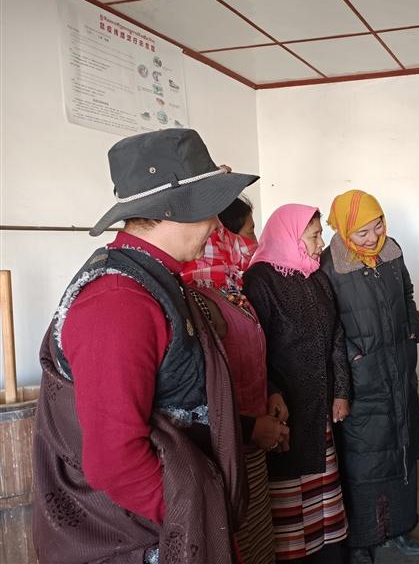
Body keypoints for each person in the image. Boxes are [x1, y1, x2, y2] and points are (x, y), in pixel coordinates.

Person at [33, 128, 258, 563]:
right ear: (174, 208)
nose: (216, 224)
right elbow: (115, 461)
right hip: (148, 536)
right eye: (209, 209)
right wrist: (191, 520)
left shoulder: (154, 277)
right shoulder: (118, 303)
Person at [181, 196, 290, 564]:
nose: (253, 243)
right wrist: (248, 428)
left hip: (252, 436)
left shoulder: (232, 290)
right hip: (223, 445)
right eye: (246, 233)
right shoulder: (194, 301)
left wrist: (271, 391)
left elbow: (252, 350)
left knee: (257, 535)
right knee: (234, 537)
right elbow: (195, 392)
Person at [321, 190, 419, 564]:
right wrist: (355, 357)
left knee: (403, 447)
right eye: (361, 232)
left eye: (377, 226)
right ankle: (362, 538)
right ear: (343, 229)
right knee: (364, 458)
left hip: (399, 365)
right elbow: (329, 324)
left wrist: (411, 331)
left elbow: (407, 292)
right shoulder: (330, 265)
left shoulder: (391, 251)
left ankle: (399, 527)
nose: (372, 237)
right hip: (362, 376)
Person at [243, 204, 350, 563]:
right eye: (314, 236)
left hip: (319, 401)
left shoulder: (316, 277)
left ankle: (327, 553)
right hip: (287, 406)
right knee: (291, 490)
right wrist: (272, 390)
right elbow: (255, 348)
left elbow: (336, 336)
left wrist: (340, 391)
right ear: (289, 236)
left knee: (322, 486)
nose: (321, 244)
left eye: (320, 235)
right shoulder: (260, 280)